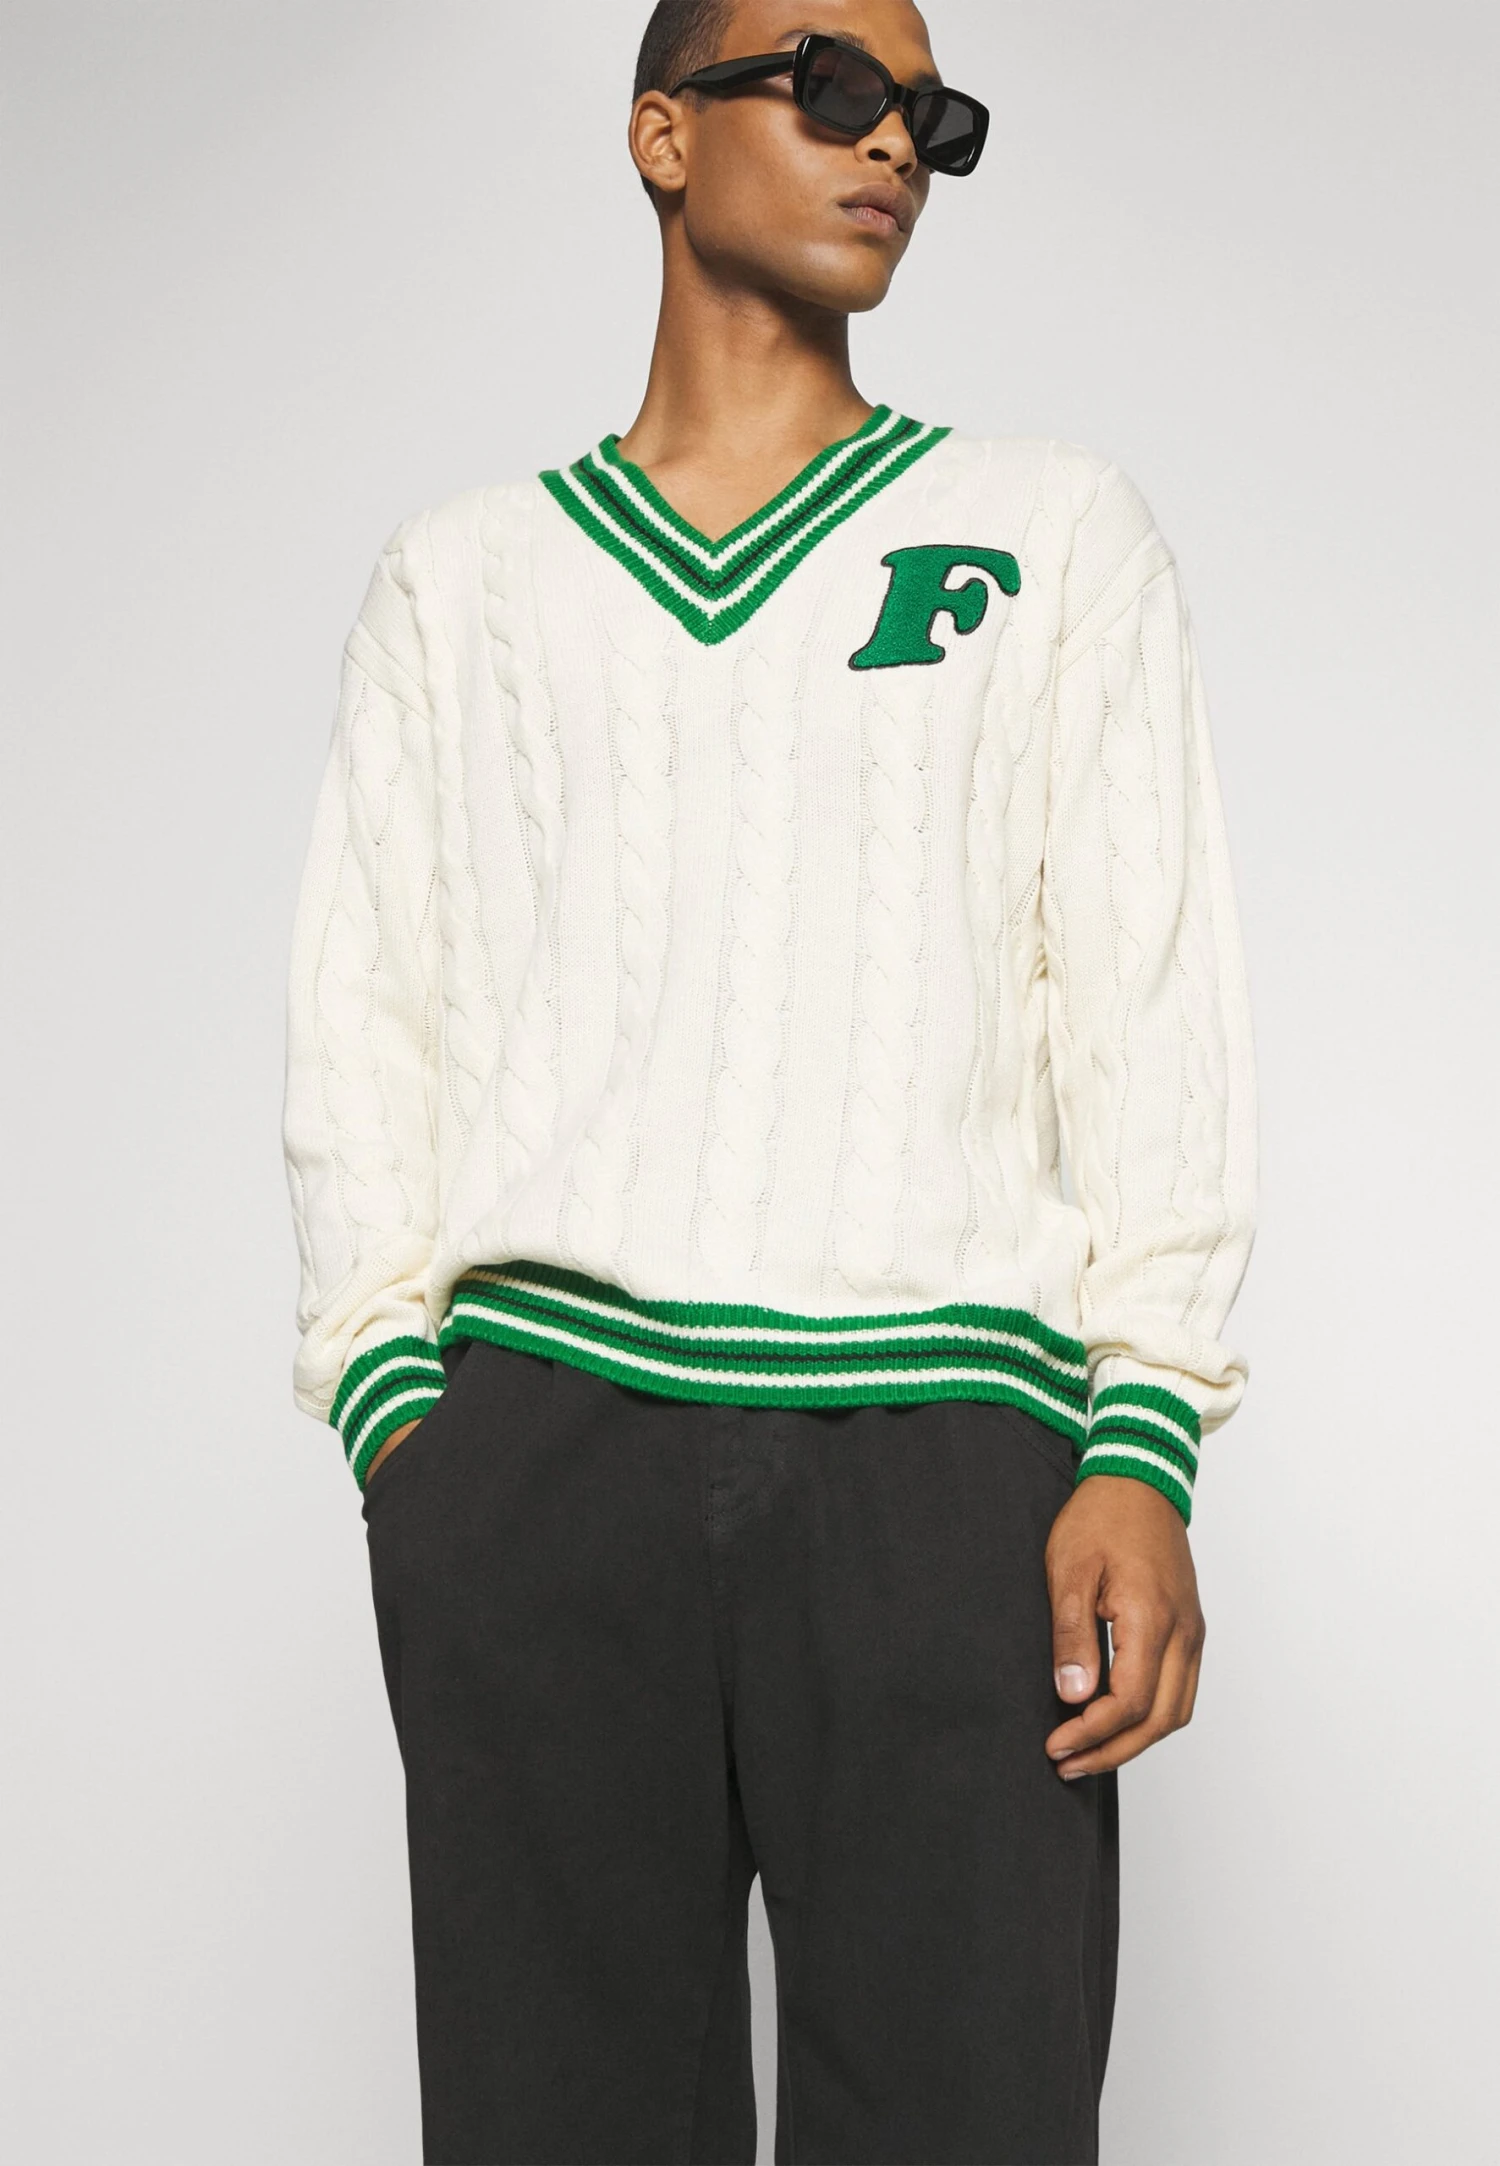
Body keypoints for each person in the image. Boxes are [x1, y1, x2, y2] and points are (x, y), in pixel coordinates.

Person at [280, 1, 1258, 2159]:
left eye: (933, 117)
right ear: (661, 133)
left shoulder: (1053, 532)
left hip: (949, 1468)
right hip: (545, 1463)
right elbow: (365, 1031)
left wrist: (1144, 1441)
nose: (890, 144)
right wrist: (409, 1443)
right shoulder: (464, 584)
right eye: (831, 88)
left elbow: (1149, 1004)